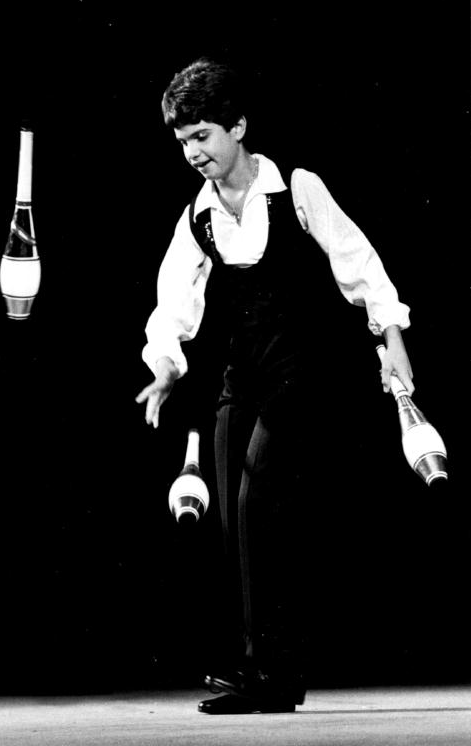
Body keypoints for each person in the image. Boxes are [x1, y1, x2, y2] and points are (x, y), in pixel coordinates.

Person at [136, 57, 414, 714]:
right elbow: (174, 296)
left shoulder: (297, 190)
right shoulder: (199, 214)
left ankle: (276, 674)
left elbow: (358, 263)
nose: (192, 152)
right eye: (182, 141)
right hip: (242, 377)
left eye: (202, 135)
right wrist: (165, 362)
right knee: (233, 521)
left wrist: (392, 340)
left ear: (236, 126)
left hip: (301, 373)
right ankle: (256, 665)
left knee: (258, 505)